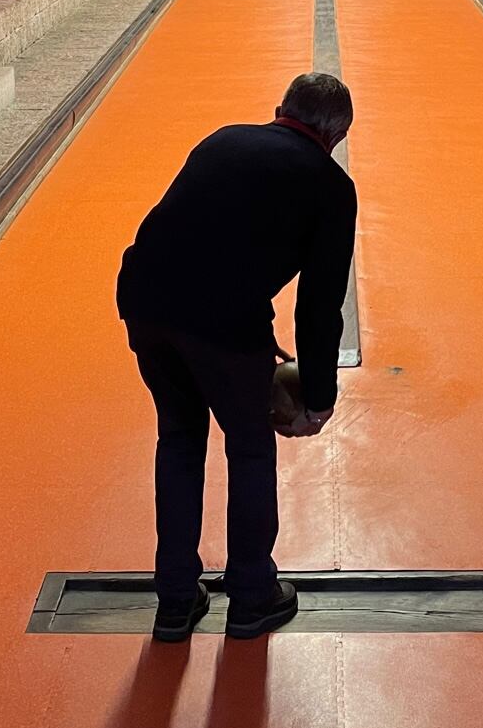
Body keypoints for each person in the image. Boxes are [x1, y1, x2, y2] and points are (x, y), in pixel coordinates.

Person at [116, 72, 358, 642]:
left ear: (279, 110)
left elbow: (196, 237)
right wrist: (318, 398)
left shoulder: (222, 138)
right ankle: (251, 595)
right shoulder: (330, 185)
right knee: (249, 449)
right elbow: (319, 305)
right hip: (222, 325)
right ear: (338, 135)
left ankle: (175, 600)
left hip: (146, 303)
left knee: (178, 439)